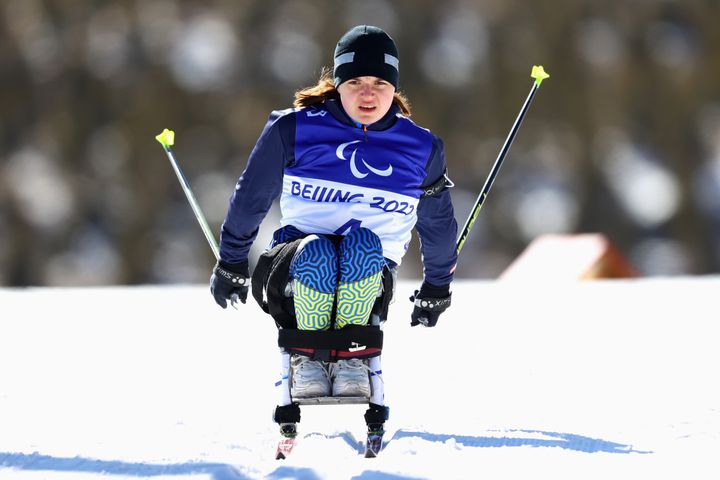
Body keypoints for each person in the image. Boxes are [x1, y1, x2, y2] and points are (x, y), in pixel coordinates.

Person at [210, 25, 458, 399]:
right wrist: (231, 261)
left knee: (362, 246)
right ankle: (307, 358)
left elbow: (437, 223)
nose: (368, 93)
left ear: (395, 87)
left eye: (379, 82)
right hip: (295, 266)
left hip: (372, 274)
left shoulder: (421, 147)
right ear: (338, 83)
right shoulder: (293, 128)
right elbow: (251, 197)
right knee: (319, 251)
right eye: (356, 81)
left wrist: (437, 286)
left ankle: (352, 358)